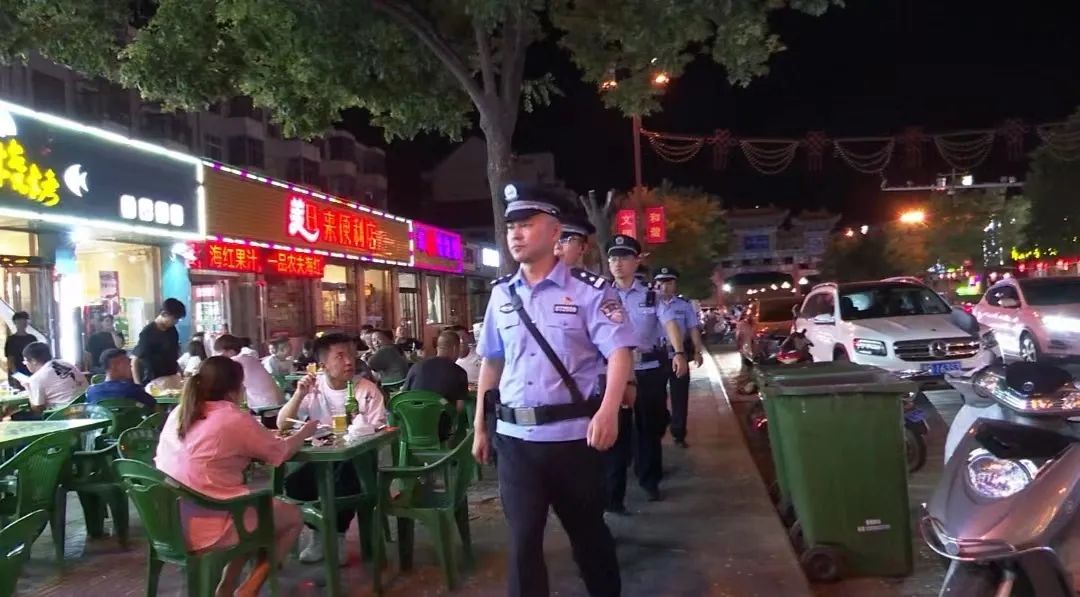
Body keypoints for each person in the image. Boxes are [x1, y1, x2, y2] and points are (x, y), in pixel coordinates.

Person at [473, 183, 635, 597]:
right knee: (523, 541)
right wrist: (480, 428)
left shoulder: (589, 291)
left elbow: (619, 352)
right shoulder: (501, 294)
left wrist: (608, 411)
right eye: (511, 226)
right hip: (515, 442)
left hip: (573, 440)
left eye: (527, 224)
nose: (516, 234)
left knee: (588, 533)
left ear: (554, 231)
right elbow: (492, 361)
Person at [156, 356, 319, 597]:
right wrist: (305, 432)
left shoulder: (181, 412)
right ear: (235, 388)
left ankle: (228, 586)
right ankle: (250, 588)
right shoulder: (232, 418)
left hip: (167, 521)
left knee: (252, 511)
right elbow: (279, 452)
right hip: (208, 525)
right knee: (291, 516)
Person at [276, 332, 386, 564]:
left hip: (359, 461)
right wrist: (299, 394)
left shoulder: (366, 390)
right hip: (321, 460)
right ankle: (319, 534)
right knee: (294, 484)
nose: (349, 362)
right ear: (323, 364)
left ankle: (337, 536)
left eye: (351, 355)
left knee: (342, 481)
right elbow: (282, 424)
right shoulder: (314, 388)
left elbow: (379, 431)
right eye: (340, 356)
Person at [607, 235, 688, 506]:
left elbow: (670, 323)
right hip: (614, 375)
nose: (617, 263)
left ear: (636, 261)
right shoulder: (600, 295)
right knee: (616, 432)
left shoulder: (652, 296)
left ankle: (649, 480)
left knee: (649, 429)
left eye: (624, 257)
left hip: (648, 371)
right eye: (613, 258)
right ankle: (613, 494)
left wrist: (679, 352)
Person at [654, 267, 706, 449]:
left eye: (668, 283)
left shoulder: (684, 305)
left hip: (679, 355)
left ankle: (679, 433)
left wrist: (698, 351)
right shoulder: (649, 304)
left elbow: (693, 329)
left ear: (675, 284)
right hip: (656, 357)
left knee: (680, 397)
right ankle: (662, 422)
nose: (664, 287)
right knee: (655, 397)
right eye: (660, 283)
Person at [404, 331, 470, 437]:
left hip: (412, 424)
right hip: (441, 429)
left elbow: (404, 394)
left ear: (438, 347)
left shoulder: (416, 367)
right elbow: (460, 407)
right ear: (455, 349)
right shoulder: (459, 372)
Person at [214, 334, 284, 410]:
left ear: (231, 351)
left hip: (266, 406)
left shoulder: (236, 362)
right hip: (273, 401)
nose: (219, 358)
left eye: (221, 354)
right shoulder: (248, 358)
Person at [22, 341, 87, 416]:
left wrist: (28, 388)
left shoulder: (36, 378)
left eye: (25, 361)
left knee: (20, 416)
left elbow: (37, 409)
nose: (26, 365)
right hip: (87, 407)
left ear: (33, 361)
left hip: (63, 415)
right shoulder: (66, 364)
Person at [132, 298, 186, 387]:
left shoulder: (172, 330)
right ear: (164, 314)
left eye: (178, 319)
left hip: (171, 377)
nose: (176, 322)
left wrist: (181, 372)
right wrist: (137, 385)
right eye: (174, 318)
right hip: (153, 381)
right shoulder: (148, 333)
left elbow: (173, 355)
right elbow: (135, 360)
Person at [86, 348, 155, 410]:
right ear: (114, 366)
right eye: (127, 363)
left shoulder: (91, 392)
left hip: (102, 420)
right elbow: (154, 407)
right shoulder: (133, 390)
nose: (130, 366)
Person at [4, 311, 37, 390]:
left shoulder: (32, 338)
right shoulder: (11, 340)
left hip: (32, 373)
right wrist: (18, 376)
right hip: (17, 374)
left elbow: (37, 357)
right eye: (20, 321)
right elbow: (10, 360)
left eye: (25, 321)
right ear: (15, 323)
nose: (22, 323)